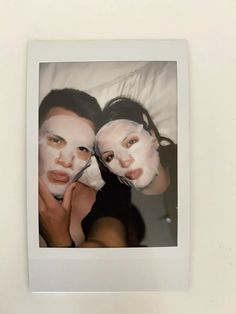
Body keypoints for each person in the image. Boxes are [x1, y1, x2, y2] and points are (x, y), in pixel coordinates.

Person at [38, 89, 133, 248]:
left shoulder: (102, 200)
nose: (66, 161)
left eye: (82, 149)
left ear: (90, 159)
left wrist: (59, 238)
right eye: (56, 140)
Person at [95, 97, 177, 239]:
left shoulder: (190, 161)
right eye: (109, 156)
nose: (125, 161)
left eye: (131, 142)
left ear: (153, 138)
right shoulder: (114, 202)